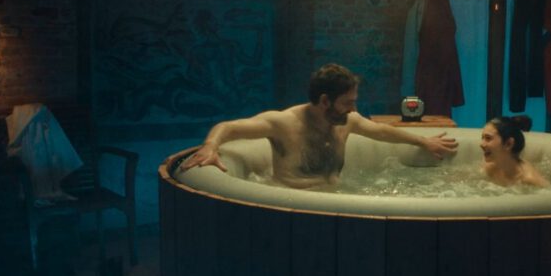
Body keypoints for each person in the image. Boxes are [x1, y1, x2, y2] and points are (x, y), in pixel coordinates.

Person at [179, 63, 458, 189]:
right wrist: (210, 147)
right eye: (347, 102)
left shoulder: (346, 121)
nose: (354, 109)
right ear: (325, 100)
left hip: (336, 198)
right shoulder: (283, 123)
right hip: (292, 209)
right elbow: (229, 127)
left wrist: (423, 141)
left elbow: (382, 131)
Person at [480, 115, 550, 188]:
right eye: (482, 138)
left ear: (508, 144)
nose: (481, 144)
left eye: (488, 138)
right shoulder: (489, 167)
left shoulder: (530, 180)